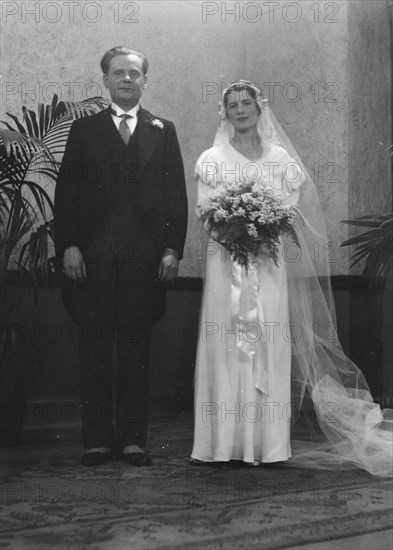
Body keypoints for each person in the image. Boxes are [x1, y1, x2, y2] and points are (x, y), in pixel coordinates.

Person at [191, 80, 393, 476]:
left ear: (259, 108)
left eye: (246, 102)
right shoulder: (211, 158)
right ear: (224, 113)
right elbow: (204, 211)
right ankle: (221, 443)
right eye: (232, 105)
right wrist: (236, 226)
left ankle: (268, 444)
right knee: (226, 345)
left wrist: (260, 225)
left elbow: (290, 211)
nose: (240, 109)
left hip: (267, 269)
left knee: (268, 344)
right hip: (226, 269)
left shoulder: (281, 159)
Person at [54, 46, 188, 467]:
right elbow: (67, 194)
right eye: (119, 73)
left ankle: (132, 440)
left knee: (136, 350)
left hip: (144, 259)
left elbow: (175, 196)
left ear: (145, 81)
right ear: (106, 80)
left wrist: (171, 248)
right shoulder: (84, 130)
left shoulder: (162, 130)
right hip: (93, 256)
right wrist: (70, 245)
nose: (127, 79)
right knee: (94, 349)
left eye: (135, 73)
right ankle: (96, 440)